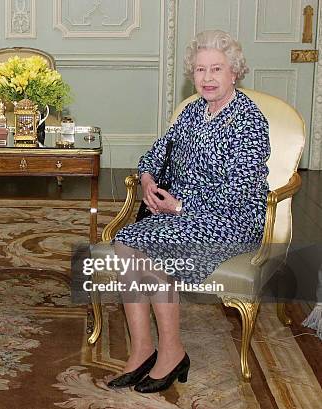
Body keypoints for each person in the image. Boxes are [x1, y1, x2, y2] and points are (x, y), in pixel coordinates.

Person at [106, 30, 269, 393]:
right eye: (199, 70)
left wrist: (179, 206)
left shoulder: (249, 121)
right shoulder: (193, 111)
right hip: (183, 213)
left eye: (216, 69)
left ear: (234, 73)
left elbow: (239, 193)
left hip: (229, 220)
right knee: (125, 241)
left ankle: (172, 352)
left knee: (144, 248)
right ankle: (143, 350)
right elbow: (155, 153)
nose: (207, 78)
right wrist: (148, 181)